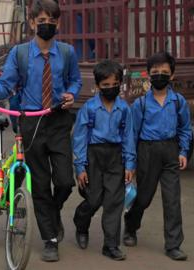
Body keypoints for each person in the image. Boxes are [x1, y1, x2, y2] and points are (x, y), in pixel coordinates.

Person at [0, 0, 82, 262]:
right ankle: (50, 239)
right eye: (41, 21)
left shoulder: (67, 52)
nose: (46, 25)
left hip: (58, 120)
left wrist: (71, 93)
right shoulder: (19, 54)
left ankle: (51, 216)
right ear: (31, 23)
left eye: (51, 21)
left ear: (58, 23)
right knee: (41, 184)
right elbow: (6, 86)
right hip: (31, 123)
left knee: (65, 181)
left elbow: (75, 80)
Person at [123, 52, 192, 261]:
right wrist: (131, 164)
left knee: (172, 199)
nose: (159, 76)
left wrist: (183, 151)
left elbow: (185, 129)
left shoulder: (178, 102)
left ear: (172, 75)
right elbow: (131, 136)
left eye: (164, 72)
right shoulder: (140, 104)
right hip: (147, 151)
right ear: (148, 75)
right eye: (155, 72)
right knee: (143, 198)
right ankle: (130, 227)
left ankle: (173, 245)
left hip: (170, 151)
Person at [72, 60, 136, 260]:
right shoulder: (89, 109)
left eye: (114, 84)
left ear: (120, 84)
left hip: (115, 156)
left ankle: (110, 245)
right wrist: (80, 167)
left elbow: (129, 137)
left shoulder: (124, 109)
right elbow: (80, 138)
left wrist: (130, 164)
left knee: (114, 202)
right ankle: (81, 225)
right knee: (93, 199)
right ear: (97, 86)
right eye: (105, 85)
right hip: (93, 156)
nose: (110, 88)